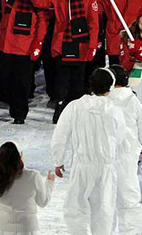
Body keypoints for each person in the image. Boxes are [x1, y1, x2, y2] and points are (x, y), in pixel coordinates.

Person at [51, 67, 125, 234]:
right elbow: (120, 137)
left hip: (82, 167)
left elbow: (60, 136)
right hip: (105, 167)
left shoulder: (75, 107)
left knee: (75, 209)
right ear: (110, 87)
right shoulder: (114, 110)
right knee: (104, 211)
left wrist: (58, 161)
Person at [108, 65, 142, 235]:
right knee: (129, 201)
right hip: (127, 160)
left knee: (104, 204)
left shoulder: (101, 102)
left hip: (101, 159)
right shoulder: (135, 103)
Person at [0, 141, 55, 235]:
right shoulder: (33, 176)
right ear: (20, 157)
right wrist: (49, 183)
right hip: (26, 227)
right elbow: (43, 202)